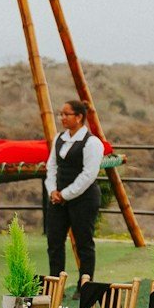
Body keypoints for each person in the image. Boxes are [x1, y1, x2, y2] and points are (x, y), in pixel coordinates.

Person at [42, 99, 106, 282]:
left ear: (79, 117)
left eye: (66, 114)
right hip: (57, 199)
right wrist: (53, 191)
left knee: (83, 242)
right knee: (54, 242)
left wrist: (66, 194)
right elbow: (52, 166)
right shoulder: (59, 138)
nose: (62, 117)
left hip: (83, 199)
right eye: (61, 114)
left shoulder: (92, 142)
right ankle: (55, 282)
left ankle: (84, 284)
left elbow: (89, 174)